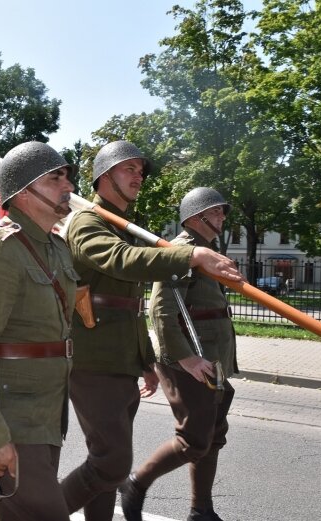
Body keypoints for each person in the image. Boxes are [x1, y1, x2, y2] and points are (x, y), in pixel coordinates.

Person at [61, 142, 243, 521]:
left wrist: (145, 361)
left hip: (121, 359)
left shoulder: (122, 227)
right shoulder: (88, 222)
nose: (138, 175)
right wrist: (190, 255)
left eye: (140, 170)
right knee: (111, 462)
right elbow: (122, 262)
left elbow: (132, 308)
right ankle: (34, 514)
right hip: (92, 360)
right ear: (103, 175)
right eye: (128, 168)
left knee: (106, 464)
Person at [0, 141, 78, 520]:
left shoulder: (57, 248)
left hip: (48, 417)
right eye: (56, 178)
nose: (68, 187)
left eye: (67, 178)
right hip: (11, 419)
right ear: (23, 190)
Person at [119, 187, 238, 521]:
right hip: (188, 362)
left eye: (221, 212)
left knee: (212, 436)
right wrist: (186, 359)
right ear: (195, 218)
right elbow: (161, 311)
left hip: (208, 361)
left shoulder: (204, 251)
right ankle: (136, 483)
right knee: (194, 440)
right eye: (215, 212)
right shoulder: (182, 252)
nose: (222, 217)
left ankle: (202, 510)